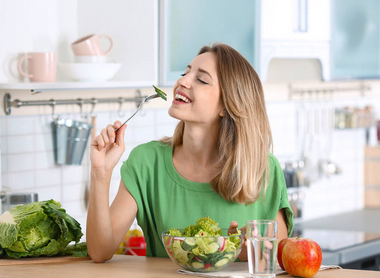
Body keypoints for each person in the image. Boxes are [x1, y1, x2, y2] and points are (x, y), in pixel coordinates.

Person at [86, 43, 294, 263]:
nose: (182, 81)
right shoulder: (146, 163)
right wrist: (101, 171)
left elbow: (277, 262)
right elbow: (100, 251)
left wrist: (243, 254)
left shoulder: (263, 169)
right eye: (185, 73)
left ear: (227, 105)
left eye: (201, 79)